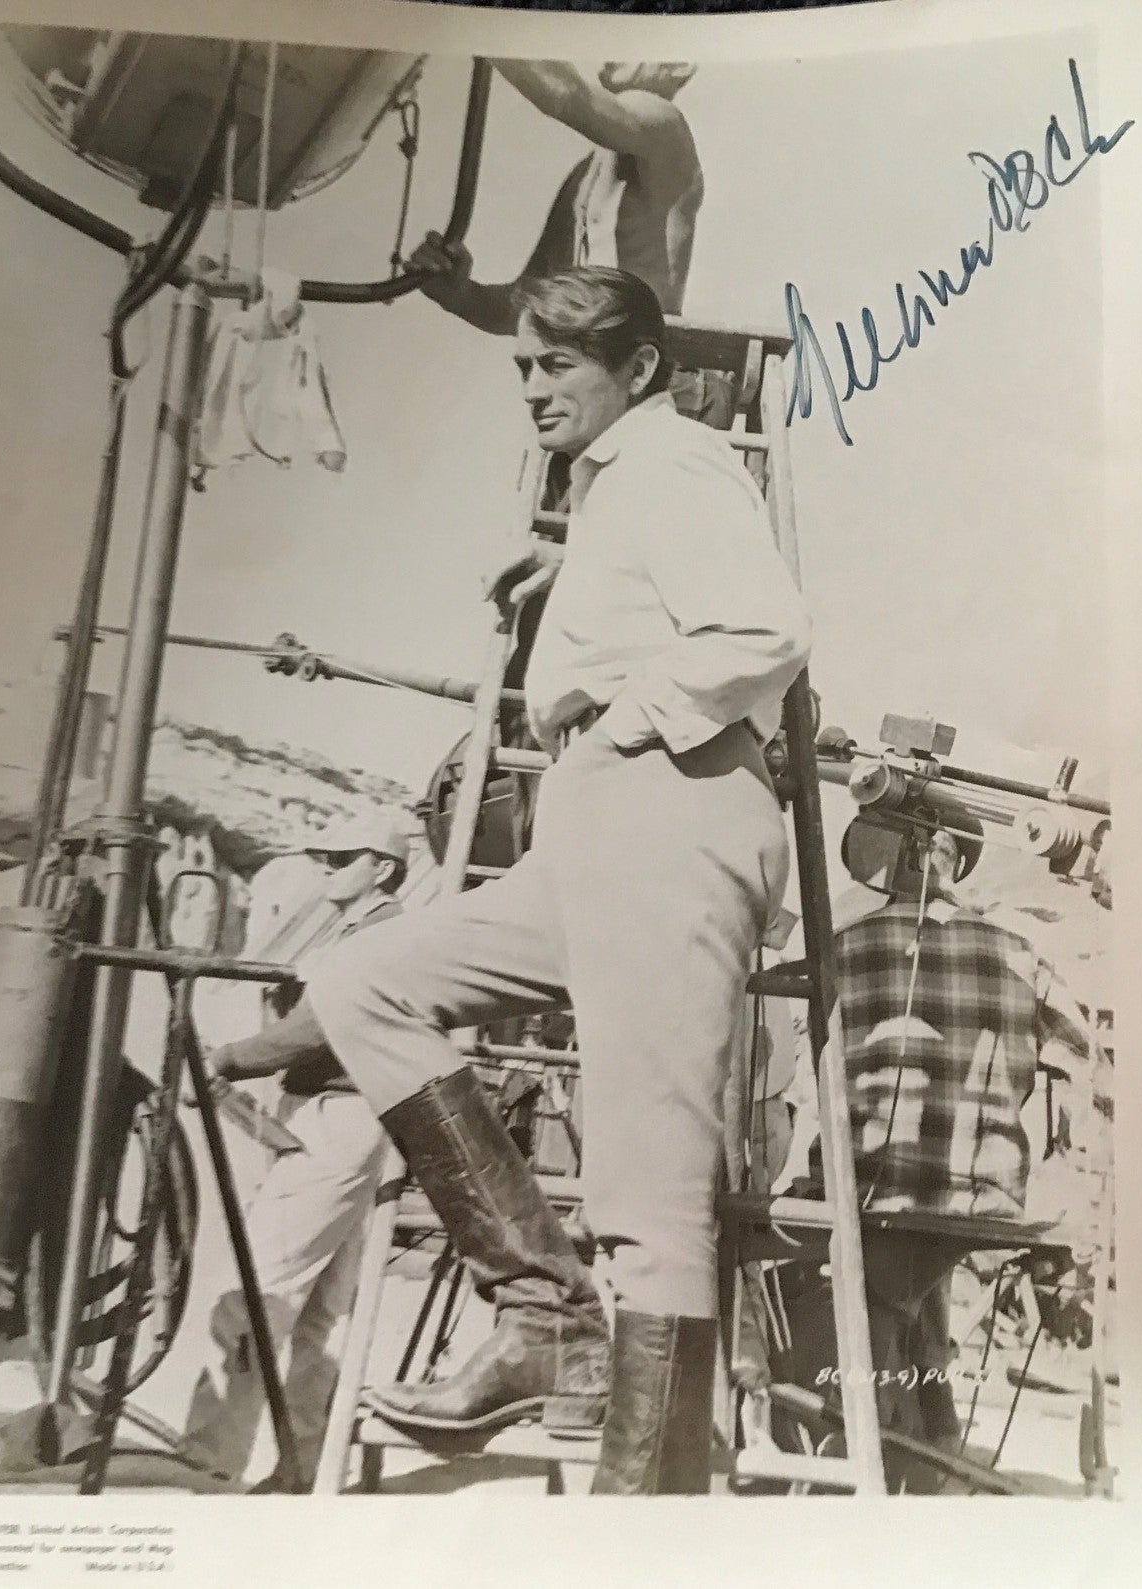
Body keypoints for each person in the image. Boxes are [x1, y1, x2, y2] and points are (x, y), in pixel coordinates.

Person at [303, 266, 812, 1494]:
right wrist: (571, 584)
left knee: (649, 1187)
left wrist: (630, 716)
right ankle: (545, 1319)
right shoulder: (615, 492)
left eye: (559, 365)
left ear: (637, 369)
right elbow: (657, 600)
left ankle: (644, 1524)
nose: (533, 388)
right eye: (524, 367)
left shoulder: (678, 459)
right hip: (594, 826)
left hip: (667, 811)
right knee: (364, 980)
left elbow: (762, 630)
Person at [783, 814, 1096, 1488]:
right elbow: (1079, 1061)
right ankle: (933, 1437)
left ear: (881, 861)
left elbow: (795, 1053)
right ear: (955, 863)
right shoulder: (1019, 950)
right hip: (984, 1199)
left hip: (872, 1189)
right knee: (920, 1277)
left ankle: (870, 1456)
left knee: (841, 1292)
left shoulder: (842, 944)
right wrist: (1054, 1160)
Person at [180, 812, 409, 1491]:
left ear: (383, 868)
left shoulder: (381, 934)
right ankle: (305, 1464)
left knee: (256, 1291)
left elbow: (320, 1024)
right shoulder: (356, 931)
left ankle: (206, 1462)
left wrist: (226, 1059)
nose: (327, 866)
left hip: (337, 1113)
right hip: (342, 1113)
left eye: (342, 857)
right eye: (323, 857)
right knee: (322, 1313)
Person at [411, 61, 701, 334]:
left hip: (643, 368)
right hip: (592, 363)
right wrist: (461, 295)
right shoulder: (586, 175)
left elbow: (567, 94)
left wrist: (489, 28)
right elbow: (529, 304)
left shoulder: (665, 123)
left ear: (681, 65)